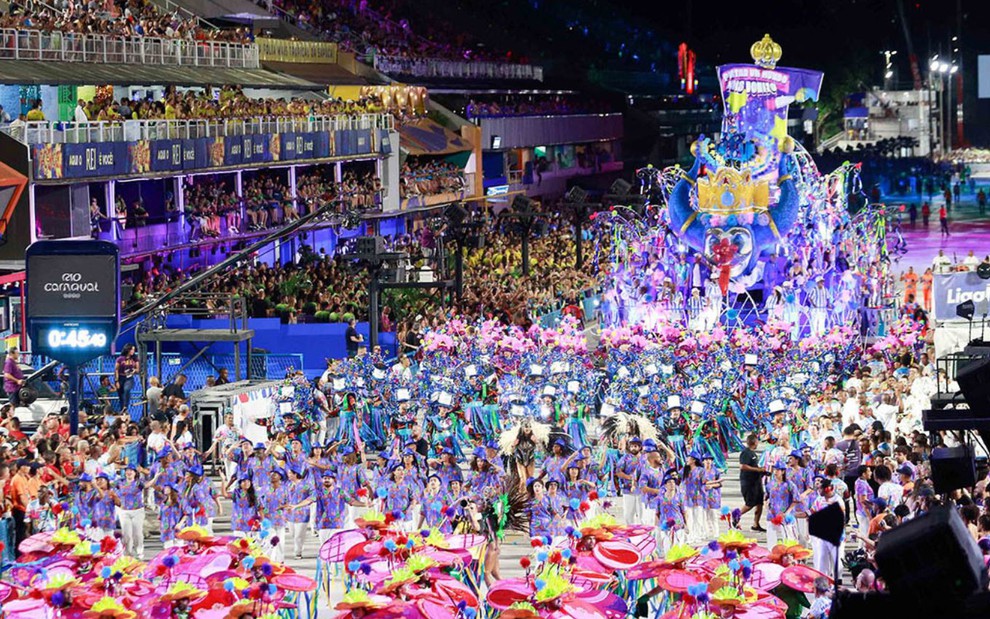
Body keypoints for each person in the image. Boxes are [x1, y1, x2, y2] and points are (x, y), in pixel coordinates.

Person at [737, 434, 766, 532]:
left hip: (756, 482)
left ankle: (756, 524)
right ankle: (736, 515)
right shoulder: (746, 453)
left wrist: (762, 472)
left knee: (759, 503)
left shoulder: (753, 453)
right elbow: (743, 466)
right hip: (748, 482)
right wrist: (757, 470)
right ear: (754, 442)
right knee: (750, 503)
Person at [115, 344, 139, 417]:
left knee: (127, 389)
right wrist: (116, 381)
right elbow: (116, 370)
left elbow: (138, 369)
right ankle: (123, 410)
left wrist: (134, 371)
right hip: (121, 377)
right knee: (121, 394)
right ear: (128, 350)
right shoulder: (120, 359)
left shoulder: (135, 359)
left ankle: (125, 406)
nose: (133, 351)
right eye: (132, 349)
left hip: (129, 377)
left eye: (134, 350)